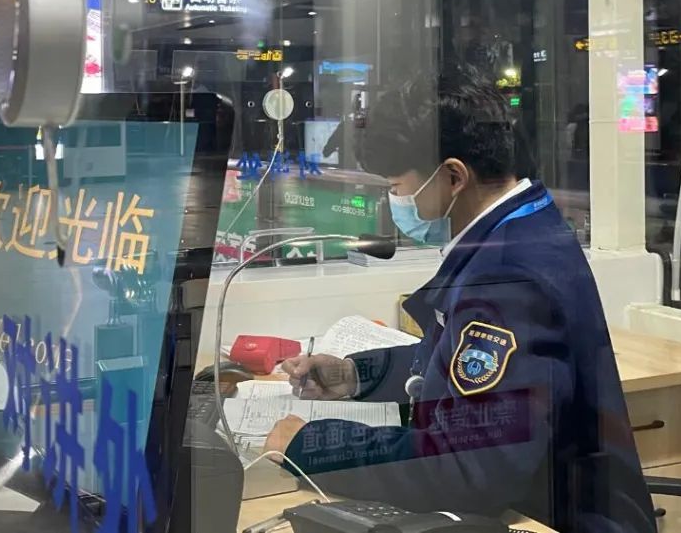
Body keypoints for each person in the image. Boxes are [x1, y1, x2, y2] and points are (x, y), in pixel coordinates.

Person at [263, 67, 655, 533]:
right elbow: (461, 362)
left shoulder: (509, 277)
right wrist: (355, 375)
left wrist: (315, 445)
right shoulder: (519, 228)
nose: (395, 201)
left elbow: (468, 469)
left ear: (453, 176)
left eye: (396, 187)